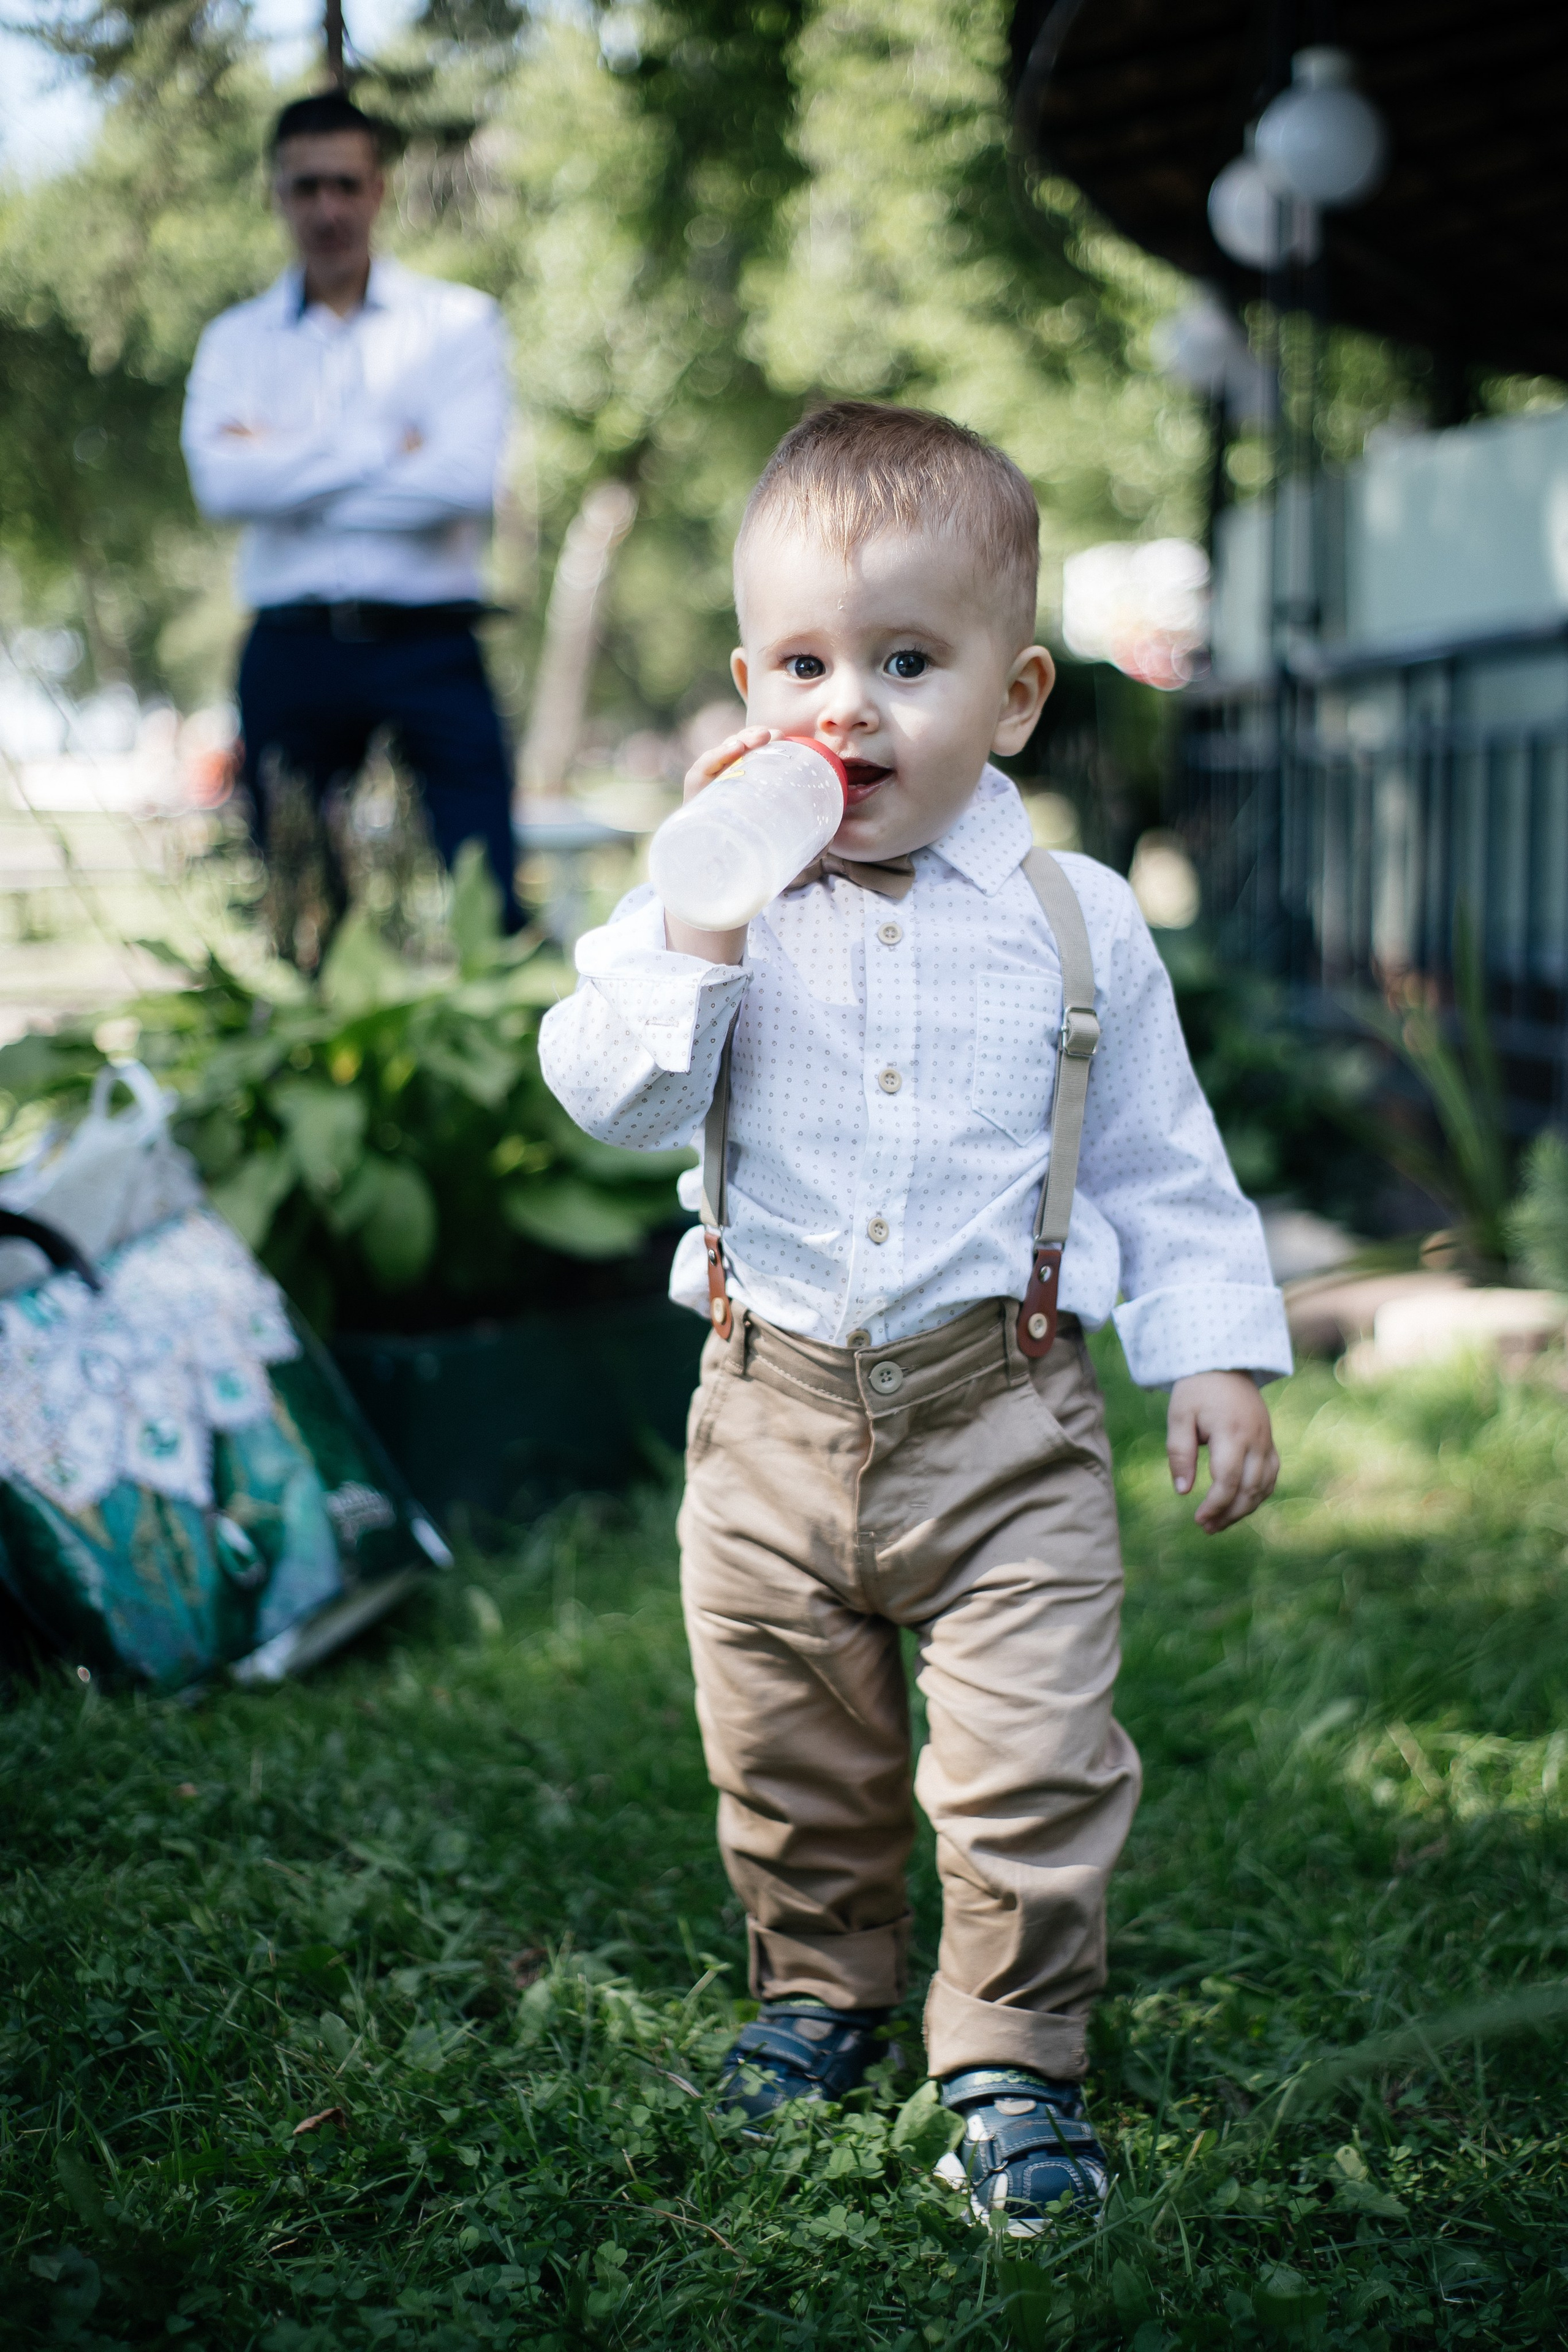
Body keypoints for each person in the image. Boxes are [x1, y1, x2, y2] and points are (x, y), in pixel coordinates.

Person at [538, 402, 1291, 2234]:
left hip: (1005, 1421)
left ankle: (1014, 2056)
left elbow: (1160, 1166)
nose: (848, 709)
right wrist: (704, 921)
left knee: (1032, 1761)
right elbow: (615, 1103)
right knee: (792, 1756)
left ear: (1016, 697)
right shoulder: (705, 905)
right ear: (744, 683)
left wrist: (1208, 1349)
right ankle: (820, 1986)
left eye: (906, 660)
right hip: (768, 1409)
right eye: (804, 663)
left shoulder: (1076, 921)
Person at [181, 90, 521, 934]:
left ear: (379, 189)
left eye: (344, 184)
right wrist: (384, 445)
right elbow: (224, 488)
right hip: (291, 646)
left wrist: (284, 458)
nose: (326, 208)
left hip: (432, 645)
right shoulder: (233, 341)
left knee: (490, 896)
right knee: (298, 910)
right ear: (276, 194)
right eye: (305, 188)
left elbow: (462, 481)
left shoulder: (459, 323)